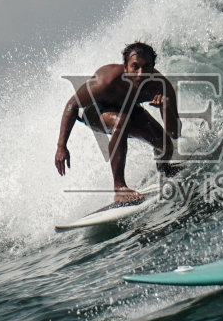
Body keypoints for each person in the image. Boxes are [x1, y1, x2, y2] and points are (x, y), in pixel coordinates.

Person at [54, 41, 181, 205]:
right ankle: (119, 187)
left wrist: (167, 108)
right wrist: (61, 146)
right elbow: (72, 104)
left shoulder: (160, 87)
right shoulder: (106, 81)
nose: (140, 73)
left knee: (164, 144)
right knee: (121, 121)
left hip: (127, 109)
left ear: (153, 68)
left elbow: (174, 133)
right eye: (135, 66)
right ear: (126, 67)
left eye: (146, 67)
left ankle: (165, 169)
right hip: (93, 111)